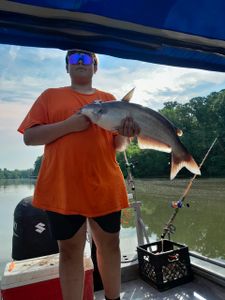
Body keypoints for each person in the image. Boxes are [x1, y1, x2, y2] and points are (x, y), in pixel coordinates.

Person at [18, 49, 140, 300]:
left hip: (104, 185)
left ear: (96, 67)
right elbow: (30, 137)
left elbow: (117, 145)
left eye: (87, 59)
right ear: (67, 67)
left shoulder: (109, 99)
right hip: (61, 187)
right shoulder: (50, 97)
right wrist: (69, 125)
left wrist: (126, 133)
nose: (81, 62)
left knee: (109, 246)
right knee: (70, 252)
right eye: (75, 59)